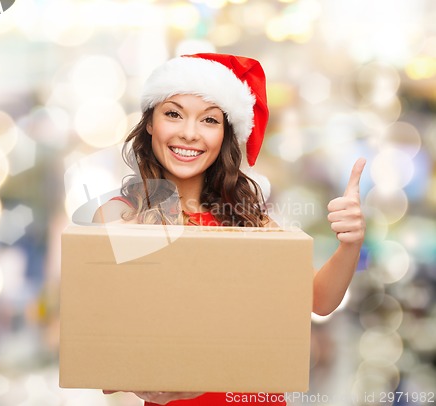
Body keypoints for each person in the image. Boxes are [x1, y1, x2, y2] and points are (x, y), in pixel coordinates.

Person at [93, 53, 366, 406]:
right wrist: (148, 379)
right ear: (149, 122)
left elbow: (320, 300)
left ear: (225, 135)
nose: (189, 133)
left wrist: (350, 243)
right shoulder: (121, 216)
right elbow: (104, 338)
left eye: (209, 120)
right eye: (173, 113)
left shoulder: (246, 217)